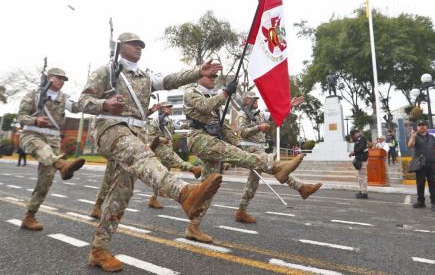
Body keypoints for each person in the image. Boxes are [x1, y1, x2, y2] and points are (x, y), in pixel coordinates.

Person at [79, 32, 223, 272]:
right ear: (120, 46)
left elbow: (170, 80)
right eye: (133, 44)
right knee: (142, 156)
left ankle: (98, 250)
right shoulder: (107, 71)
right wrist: (104, 104)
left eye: (140, 45)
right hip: (110, 128)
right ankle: (184, 193)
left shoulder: (145, 75)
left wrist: (198, 72)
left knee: (122, 194)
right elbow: (82, 100)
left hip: (136, 133)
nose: (138, 48)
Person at [183, 74, 304, 243]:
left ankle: (193, 227)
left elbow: (224, 128)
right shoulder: (192, 92)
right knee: (238, 155)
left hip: (217, 143)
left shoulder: (218, 101)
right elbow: (205, 107)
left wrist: (236, 143)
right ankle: (276, 168)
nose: (213, 78)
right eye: (210, 76)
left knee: (208, 187)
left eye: (215, 76)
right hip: (200, 139)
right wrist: (225, 93)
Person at [234, 91, 322, 223]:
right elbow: (241, 132)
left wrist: (290, 106)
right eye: (254, 99)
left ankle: (241, 211)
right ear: (247, 101)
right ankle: (301, 188)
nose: (257, 101)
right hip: (251, 150)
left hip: (259, 149)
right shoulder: (242, 115)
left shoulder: (259, 114)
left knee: (252, 184)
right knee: (275, 165)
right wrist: (258, 127)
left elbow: (276, 115)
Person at [17, 67, 86, 230]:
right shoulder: (34, 95)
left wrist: (93, 100)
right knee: (44, 151)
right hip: (32, 134)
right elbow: (20, 116)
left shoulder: (64, 98)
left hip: (53, 139)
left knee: (45, 181)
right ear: (48, 78)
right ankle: (62, 165)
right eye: (58, 77)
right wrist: (35, 121)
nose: (61, 81)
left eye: (63, 79)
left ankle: (29, 216)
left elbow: (76, 107)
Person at [146, 101, 202, 209]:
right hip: (160, 147)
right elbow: (150, 137)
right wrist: (162, 139)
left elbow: (181, 125)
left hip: (168, 146)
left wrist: (193, 123)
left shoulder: (169, 121)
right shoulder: (156, 121)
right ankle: (193, 168)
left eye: (170, 108)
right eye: (168, 108)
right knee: (175, 159)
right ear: (162, 109)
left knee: (162, 174)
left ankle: (153, 198)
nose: (170, 109)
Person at [407, 120, 435, 212]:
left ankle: (434, 203)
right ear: (417, 127)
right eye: (419, 125)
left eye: (423, 125)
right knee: (420, 183)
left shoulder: (432, 137)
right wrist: (413, 137)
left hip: (431, 164)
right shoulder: (415, 136)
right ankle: (421, 201)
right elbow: (410, 146)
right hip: (420, 164)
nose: (421, 126)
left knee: (433, 183)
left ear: (426, 127)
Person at [349, 129, 369, 199]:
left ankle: (364, 193)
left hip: (362, 160)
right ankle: (361, 191)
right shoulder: (357, 140)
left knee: (363, 177)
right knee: (359, 177)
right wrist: (353, 153)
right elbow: (358, 150)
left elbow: (361, 148)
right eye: (352, 135)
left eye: (354, 134)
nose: (353, 136)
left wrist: (354, 152)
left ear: (357, 133)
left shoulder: (362, 139)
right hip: (359, 160)